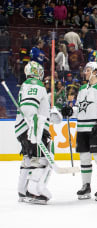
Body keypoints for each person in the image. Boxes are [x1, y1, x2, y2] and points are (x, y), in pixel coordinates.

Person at [61, 62, 97, 200]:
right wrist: (70, 111)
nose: (85, 72)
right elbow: (79, 108)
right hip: (82, 128)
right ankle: (86, 185)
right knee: (84, 158)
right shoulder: (83, 88)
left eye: (88, 70)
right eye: (85, 70)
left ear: (96, 72)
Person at [16, 61, 62, 204]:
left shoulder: (27, 84)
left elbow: (37, 108)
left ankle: (23, 191)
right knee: (40, 158)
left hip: (24, 128)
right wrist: (34, 127)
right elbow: (29, 107)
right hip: (34, 128)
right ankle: (33, 191)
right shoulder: (35, 83)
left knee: (28, 158)